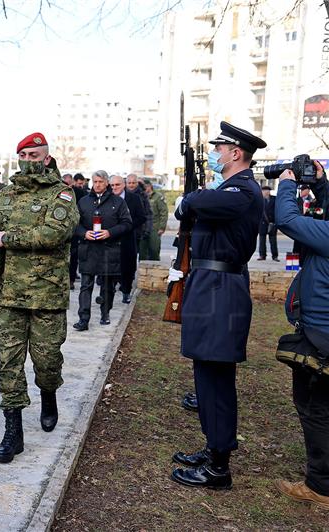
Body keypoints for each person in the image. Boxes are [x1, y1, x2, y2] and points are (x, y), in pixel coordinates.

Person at [168, 121, 266, 490]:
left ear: (235, 153)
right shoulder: (230, 189)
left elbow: (195, 204)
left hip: (221, 288)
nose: (215, 154)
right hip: (211, 284)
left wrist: (189, 200)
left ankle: (218, 468)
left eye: (219, 149)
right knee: (207, 374)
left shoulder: (242, 190)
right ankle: (214, 449)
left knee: (216, 378)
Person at [0, 132, 79, 463]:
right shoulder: (6, 195)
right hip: (8, 295)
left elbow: (55, 234)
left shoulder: (62, 195)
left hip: (46, 297)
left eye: (34, 155)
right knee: (9, 364)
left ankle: (48, 394)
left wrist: (7, 238)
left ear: (47, 158)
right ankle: (13, 431)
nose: (28, 161)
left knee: (47, 360)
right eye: (23, 155)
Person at [273, 160, 329, 510]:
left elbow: (288, 221)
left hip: (322, 335)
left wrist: (288, 185)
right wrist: (321, 184)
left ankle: (320, 486)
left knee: (315, 407)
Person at [72, 171, 132, 330]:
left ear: (106, 183)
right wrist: (84, 233)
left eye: (100, 181)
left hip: (109, 249)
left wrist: (110, 232)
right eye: (94, 181)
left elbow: (127, 223)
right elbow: (74, 224)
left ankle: (105, 313)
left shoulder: (118, 202)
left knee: (107, 285)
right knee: (85, 286)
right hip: (88, 249)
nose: (97, 184)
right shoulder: (83, 202)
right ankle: (83, 319)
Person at [110, 175, 147, 304]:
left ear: (123, 185)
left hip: (128, 237)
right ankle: (109, 292)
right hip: (111, 238)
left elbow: (142, 217)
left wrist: (128, 226)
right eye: (112, 185)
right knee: (111, 266)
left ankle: (126, 292)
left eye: (117, 185)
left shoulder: (134, 198)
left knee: (128, 266)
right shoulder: (108, 198)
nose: (115, 188)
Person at [140, 179, 168, 260]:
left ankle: (155, 270)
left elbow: (163, 212)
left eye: (145, 186)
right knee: (142, 252)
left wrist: (162, 227)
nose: (144, 189)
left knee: (154, 250)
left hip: (154, 227)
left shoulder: (158, 197)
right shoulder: (141, 196)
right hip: (143, 228)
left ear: (149, 186)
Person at [257, 185, 279, 261]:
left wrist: (276, 221)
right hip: (262, 223)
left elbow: (277, 210)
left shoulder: (274, 199)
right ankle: (262, 255)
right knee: (262, 240)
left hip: (272, 222)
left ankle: (275, 256)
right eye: (264, 191)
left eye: (267, 190)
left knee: (273, 240)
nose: (266, 192)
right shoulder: (259, 199)